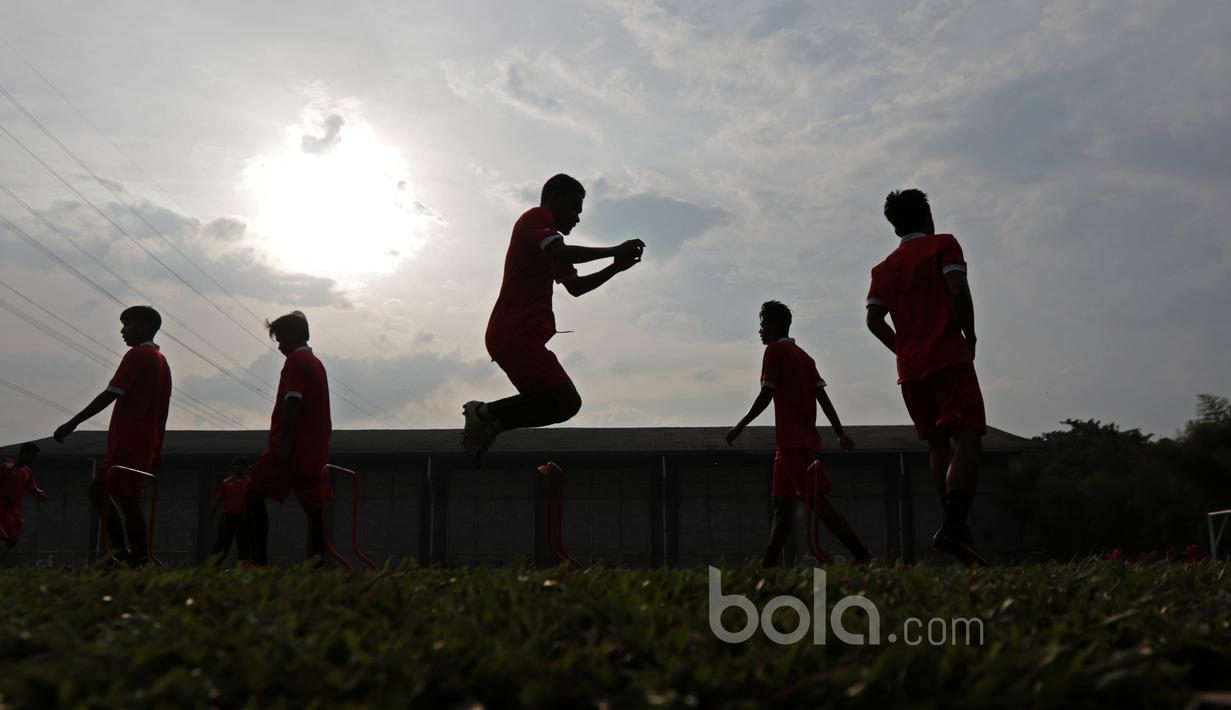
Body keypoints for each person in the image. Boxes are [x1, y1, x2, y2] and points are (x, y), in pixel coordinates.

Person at [462, 173, 645, 466]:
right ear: (556, 200)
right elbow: (562, 251)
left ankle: (489, 424)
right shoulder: (536, 219)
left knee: (555, 404)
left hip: (519, 337)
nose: (577, 218)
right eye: (574, 209)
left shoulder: (550, 245)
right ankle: (483, 415)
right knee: (565, 400)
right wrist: (613, 249)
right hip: (514, 334)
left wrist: (615, 267)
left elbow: (576, 287)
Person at [865, 189, 988, 566]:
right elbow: (957, 289)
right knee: (967, 439)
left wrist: (902, 348)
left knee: (937, 445)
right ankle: (953, 526)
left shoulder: (883, 269)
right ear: (928, 215)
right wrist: (968, 334)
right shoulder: (943, 245)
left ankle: (957, 530)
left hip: (910, 370)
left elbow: (873, 320)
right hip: (947, 357)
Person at [726, 301, 872, 567]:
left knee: (818, 503)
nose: (760, 330)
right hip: (789, 445)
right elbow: (822, 396)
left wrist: (740, 426)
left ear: (777, 325)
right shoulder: (805, 357)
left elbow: (766, 395)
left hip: (795, 444)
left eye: (763, 324)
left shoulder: (775, 351)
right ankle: (768, 567)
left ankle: (862, 554)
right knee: (781, 507)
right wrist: (839, 432)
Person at [54, 305, 171, 567]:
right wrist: (157, 448)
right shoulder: (161, 360)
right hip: (142, 441)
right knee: (111, 493)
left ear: (142, 326)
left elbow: (111, 393)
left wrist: (73, 422)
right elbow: (162, 410)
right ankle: (129, 553)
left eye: (126, 325)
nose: (122, 331)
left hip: (130, 440)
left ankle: (130, 554)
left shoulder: (139, 355)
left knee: (120, 496)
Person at [241, 311, 332, 566]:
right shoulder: (316, 364)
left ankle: (258, 561)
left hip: (290, 446)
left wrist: (284, 444)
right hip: (312, 448)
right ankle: (318, 562)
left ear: (293, 335)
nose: (279, 346)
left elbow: (293, 401)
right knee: (313, 507)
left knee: (253, 494)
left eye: (280, 339)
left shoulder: (296, 361)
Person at [0, 442, 48, 566]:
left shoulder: (27, 471)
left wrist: (40, 494)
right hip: (2, 508)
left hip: (15, 509)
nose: (33, 460)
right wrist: (5, 496)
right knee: (9, 538)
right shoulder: (7, 467)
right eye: (32, 456)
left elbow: (32, 487)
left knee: (13, 539)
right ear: (23, 454)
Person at [207, 456, 251, 562]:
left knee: (244, 543)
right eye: (237, 466)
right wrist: (211, 514)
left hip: (244, 517)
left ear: (246, 468)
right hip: (228, 517)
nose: (239, 468)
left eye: (242, 466)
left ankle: (244, 565)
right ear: (234, 467)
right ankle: (214, 566)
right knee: (222, 543)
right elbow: (218, 499)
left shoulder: (250, 483)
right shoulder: (226, 482)